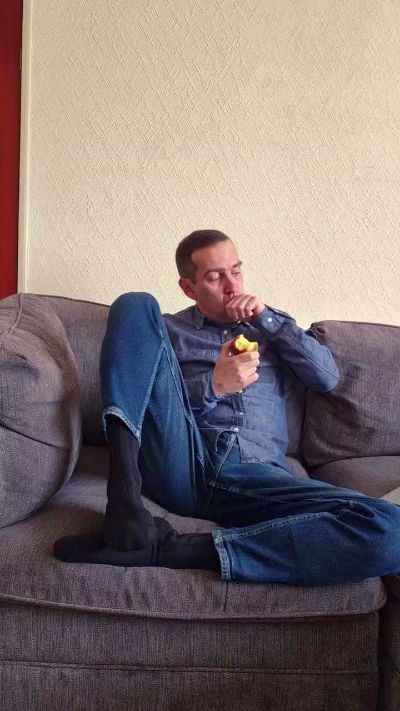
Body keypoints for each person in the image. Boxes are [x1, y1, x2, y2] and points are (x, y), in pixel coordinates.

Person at [54, 230, 400, 584]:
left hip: (255, 477)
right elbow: (148, 405)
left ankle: (170, 550)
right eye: (215, 277)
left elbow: (326, 377)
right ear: (189, 288)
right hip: (181, 461)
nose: (232, 286)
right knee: (135, 303)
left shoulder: (272, 331)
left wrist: (265, 317)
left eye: (236, 271)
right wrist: (214, 385)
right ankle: (123, 499)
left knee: (392, 528)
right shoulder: (169, 331)